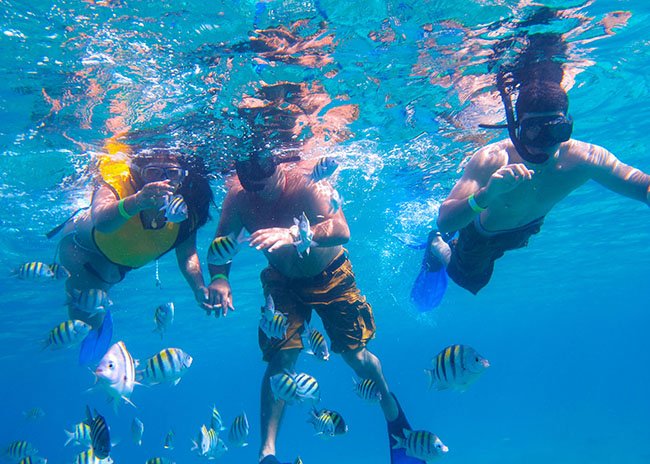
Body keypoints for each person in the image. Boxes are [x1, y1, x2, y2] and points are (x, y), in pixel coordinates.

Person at [205, 153, 423, 464]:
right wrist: (219, 279)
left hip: (330, 273)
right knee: (281, 355)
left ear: (278, 162)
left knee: (355, 356)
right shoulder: (238, 198)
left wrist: (294, 234)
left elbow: (342, 229)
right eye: (248, 181)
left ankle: (389, 407)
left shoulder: (307, 183)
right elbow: (220, 243)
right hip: (282, 280)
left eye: (263, 178)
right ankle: (267, 453)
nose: (257, 188)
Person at [422, 79, 650, 295]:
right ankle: (436, 244)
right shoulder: (492, 158)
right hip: (481, 233)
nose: (544, 143)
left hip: (526, 229)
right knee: (471, 280)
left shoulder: (587, 158)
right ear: (515, 126)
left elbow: (640, 185)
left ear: (568, 126)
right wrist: (486, 194)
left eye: (556, 130)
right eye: (532, 130)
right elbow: (445, 220)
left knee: (506, 250)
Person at [53, 144, 214, 363]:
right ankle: (99, 317)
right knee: (85, 318)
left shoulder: (184, 207)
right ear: (138, 173)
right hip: (82, 250)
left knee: (108, 278)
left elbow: (187, 253)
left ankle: (103, 300)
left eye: (172, 173)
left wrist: (199, 287)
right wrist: (137, 201)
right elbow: (101, 221)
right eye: (153, 172)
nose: (163, 180)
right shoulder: (118, 182)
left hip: (121, 259)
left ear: (183, 176)